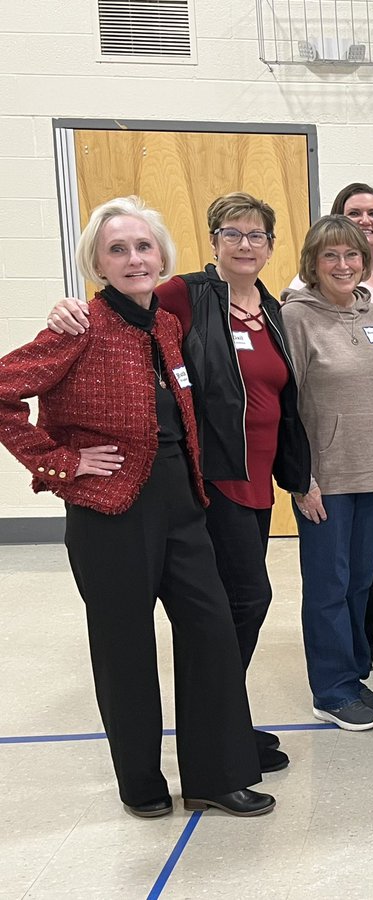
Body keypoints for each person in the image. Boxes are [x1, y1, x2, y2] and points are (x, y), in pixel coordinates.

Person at [0, 196, 274, 817]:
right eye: (117, 249)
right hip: (111, 511)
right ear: (96, 262)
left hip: (182, 502)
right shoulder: (79, 327)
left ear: (162, 256)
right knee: (124, 645)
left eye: (143, 246)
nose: (133, 258)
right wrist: (61, 465)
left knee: (210, 634)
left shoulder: (167, 326)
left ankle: (215, 775)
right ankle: (141, 782)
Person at [47, 192, 310, 775]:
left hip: (252, 480)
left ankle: (221, 728)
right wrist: (62, 460)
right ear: (213, 240)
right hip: (205, 482)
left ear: (271, 246)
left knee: (230, 610)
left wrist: (298, 476)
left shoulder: (270, 309)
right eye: (232, 233)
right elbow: (118, 306)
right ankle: (216, 729)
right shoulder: (184, 295)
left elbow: (279, 400)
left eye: (257, 235)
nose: (246, 244)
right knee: (237, 604)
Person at [281, 215, 373, 732]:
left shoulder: (370, 313)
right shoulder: (295, 318)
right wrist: (301, 479)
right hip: (324, 481)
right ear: (313, 262)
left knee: (358, 584)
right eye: (331, 256)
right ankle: (330, 689)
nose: (344, 264)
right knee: (328, 585)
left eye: (352, 255)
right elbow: (288, 406)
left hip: (372, 476)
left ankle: (352, 673)